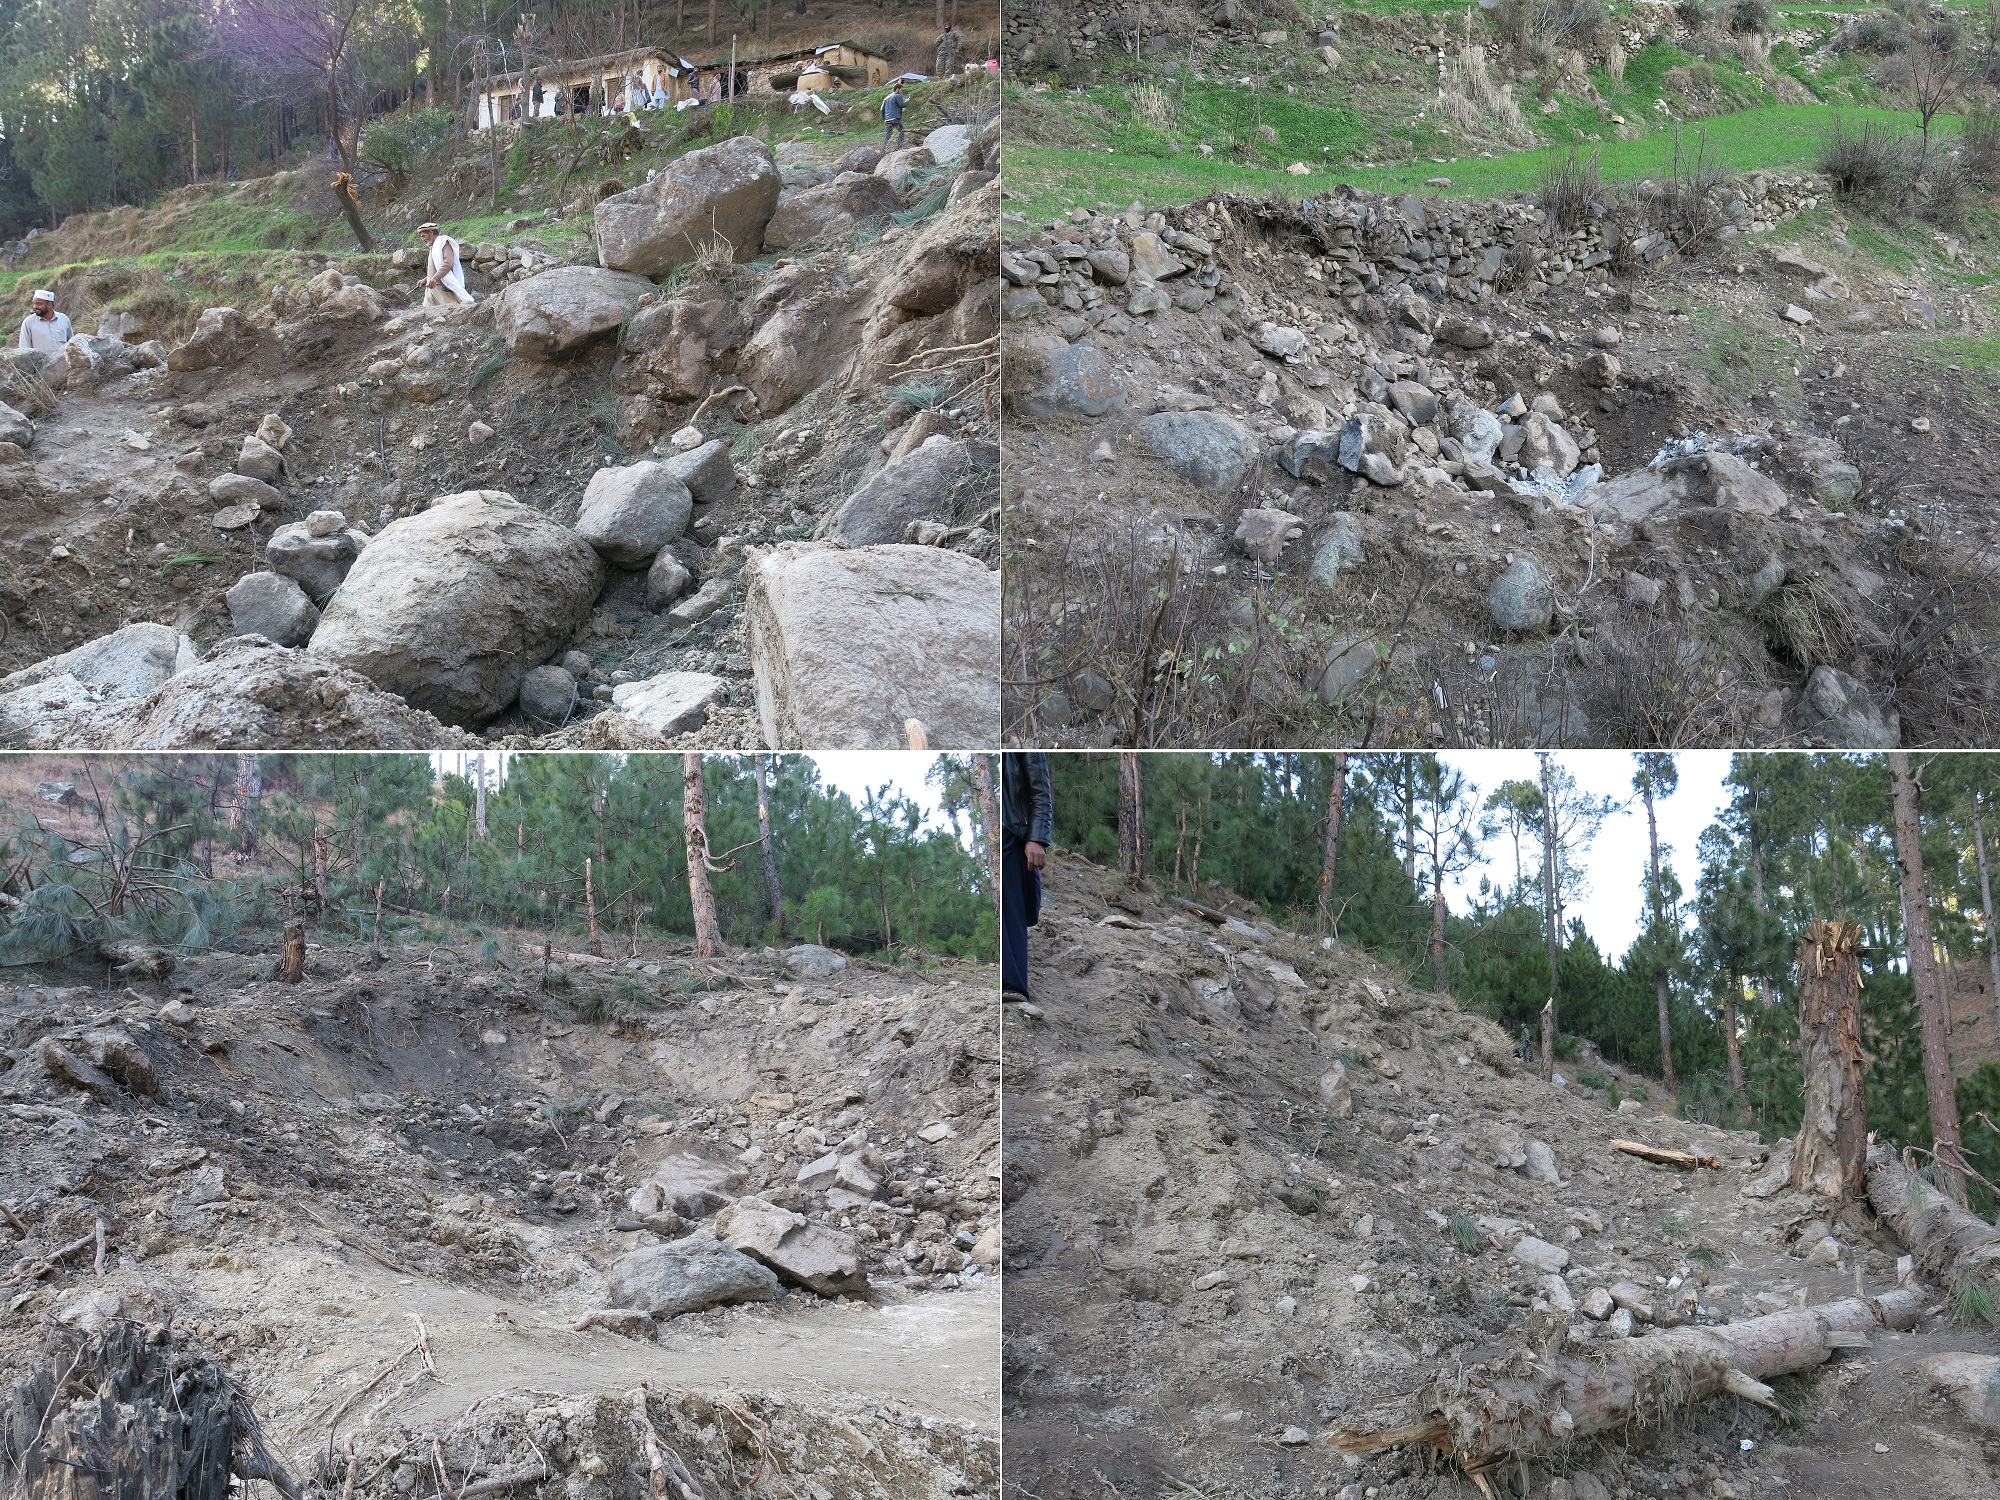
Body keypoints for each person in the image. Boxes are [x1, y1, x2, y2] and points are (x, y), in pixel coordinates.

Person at [1001, 753, 1052, 1005]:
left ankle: (1013, 984)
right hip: (994, 829)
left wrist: (1038, 838)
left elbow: (1041, 791)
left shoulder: (1026, 750)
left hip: (1013, 830)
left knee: (1013, 909)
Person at [418, 223, 474, 307]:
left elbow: (448, 263)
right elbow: (436, 268)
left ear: (430, 233)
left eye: (423, 236)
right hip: (432, 291)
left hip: (442, 290)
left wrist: (435, 278)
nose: (423, 239)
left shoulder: (444, 243)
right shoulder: (434, 247)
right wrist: (426, 279)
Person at [882, 83, 908, 148]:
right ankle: (900, 146)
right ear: (897, 89)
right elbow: (902, 105)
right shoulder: (898, 96)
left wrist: (884, 118)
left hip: (888, 119)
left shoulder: (886, 98)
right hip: (895, 118)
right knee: (902, 130)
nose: (901, 91)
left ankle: (883, 147)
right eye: (901, 90)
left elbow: (882, 110)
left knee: (888, 134)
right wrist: (907, 101)